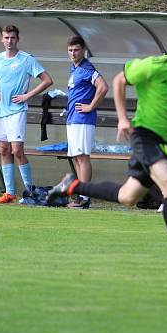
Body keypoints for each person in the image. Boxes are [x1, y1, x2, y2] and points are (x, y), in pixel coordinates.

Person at [48, 28, 167, 270]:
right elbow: (119, 80)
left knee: (127, 197)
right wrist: (122, 119)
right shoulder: (153, 66)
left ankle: (71, 185)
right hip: (144, 136)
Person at [0, 25, 53, 204]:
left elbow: (48, 80)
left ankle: (30, 191)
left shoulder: (26, 59)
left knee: (17, 151)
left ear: (18, 39)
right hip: (0, 110)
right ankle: (9, 193)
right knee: (4, 149)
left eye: (12, 38)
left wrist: (27, 95)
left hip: (17, 111)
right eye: (6, 38)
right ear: (2, 39)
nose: (9, 41)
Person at [65, 35, 108, 209]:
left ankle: (85, 197)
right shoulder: (74, 69)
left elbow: (103, 87)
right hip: (73, 119)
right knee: (77, 158)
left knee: (82, 157)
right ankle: (81, 195)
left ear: (83, 50)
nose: (73, 53)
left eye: (76, 50)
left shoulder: (87, 68)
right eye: (70, 50)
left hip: (83, 120)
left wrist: (90, 106)